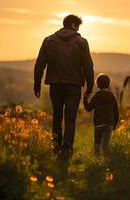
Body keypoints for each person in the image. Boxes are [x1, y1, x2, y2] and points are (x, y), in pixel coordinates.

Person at [34, 14, 94, 160]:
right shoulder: (82, 42)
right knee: (70, 118)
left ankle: (56, 147)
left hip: (55, 85)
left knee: (57, 116)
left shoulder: (48, 40)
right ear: (74, 25)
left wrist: (37, 84)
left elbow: (40, 64)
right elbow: (88, 66)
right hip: (74, 86)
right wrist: (90, 86)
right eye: (78, 26)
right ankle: (67, 148)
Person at [83, 73, 119, 156]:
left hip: (98, 123)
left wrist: (85, 99)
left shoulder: (96, 97)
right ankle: (107, 160)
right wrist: (115, 124)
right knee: (106, 144)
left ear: (97, 84)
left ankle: (98, 159)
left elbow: (88, 108)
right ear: (108, 84)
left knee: (97, 143)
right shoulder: (112, 97)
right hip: (109, 123)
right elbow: (116, 111)